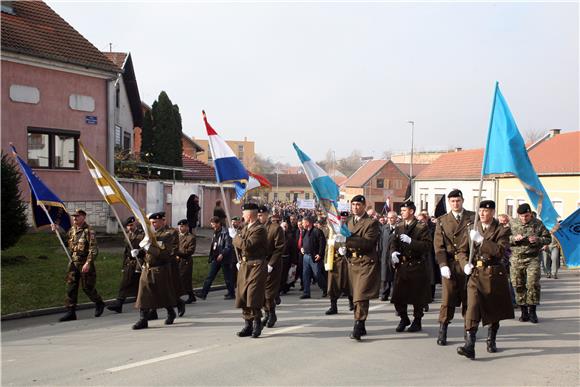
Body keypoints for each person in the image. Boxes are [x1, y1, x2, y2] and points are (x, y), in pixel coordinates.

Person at [457, 200, 514, 359]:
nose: (482, 214)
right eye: (480, 210)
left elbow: (501, 251)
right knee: (472, 308)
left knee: (493, 308)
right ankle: (470, 344)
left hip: (493, 273)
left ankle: (491, 338)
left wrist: (482, 241)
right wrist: (464, 264)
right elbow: (461, 251)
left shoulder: (502, 230)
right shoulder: (471, 228)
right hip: (475, 273)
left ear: (493, 212)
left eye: (485, 211)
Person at [433, 189, 475, 345]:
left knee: (468, 300)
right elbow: (439, 246)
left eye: (458, 200)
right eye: (452, 201)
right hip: (450, 264)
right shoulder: (442, 220)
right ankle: (443, 329)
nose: (455, 203)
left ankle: (468, 330)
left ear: (462, 200)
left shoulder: (472, 217)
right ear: (449, 203)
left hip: (467, 265)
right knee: (447, 299)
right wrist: (443, 264)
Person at [54, 209, 105, 322]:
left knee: (87, 287)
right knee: (71, 288)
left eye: (77, 216)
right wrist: (57, 231)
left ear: (83, 217)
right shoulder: (72, 230)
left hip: (84, 263)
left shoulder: (89, 231)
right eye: (74, 216)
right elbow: (66, 242)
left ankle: (99, 303)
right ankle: (71, 312)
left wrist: (88, 263)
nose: (75, 218)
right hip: (73, 263)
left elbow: (93, 249)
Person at [389, 201, 433, 332]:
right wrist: (393, 253)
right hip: (402, 265)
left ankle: (417, 320)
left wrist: (411, 242)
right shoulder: (399, 225)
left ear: (412, 211)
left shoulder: (421, 227)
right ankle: (404, 318)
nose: (401, 213)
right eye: (401, 211)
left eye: (404, 210)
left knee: (417, 297)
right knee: (397, 296)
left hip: (416, 264)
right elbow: (394, 242)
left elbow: (427, 246)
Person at [132, 212, 178, 330]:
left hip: (160, 269)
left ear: (162, 222)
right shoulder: (148, 235)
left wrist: (149, 248)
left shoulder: (167, 235)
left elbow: (164, 254)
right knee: (143, 294)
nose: (153, 225)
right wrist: (139, 252)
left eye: (155, 222)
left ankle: (171, 312)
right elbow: (146, 252)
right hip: (147, 268)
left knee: (163, 294)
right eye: (151, 223)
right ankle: (143, 319)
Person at [344, 195, 381, 341]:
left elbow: (367, 243)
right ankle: (362, 324)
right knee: (355, 296)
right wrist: (343, 248)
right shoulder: (348, 221)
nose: (355, 207)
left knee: (360, 296)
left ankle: (358, 325)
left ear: (364, 206)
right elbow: (345, 238)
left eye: (358, 205)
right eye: (353, 205)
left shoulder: (371, 223)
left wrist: (347, 240)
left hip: (366, 263)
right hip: (353, 262)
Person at [509, 203, 551, 324]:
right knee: (518, 284)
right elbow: (504, 238)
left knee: (533, 284)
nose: (524, 219)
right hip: (516, 258)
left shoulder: (538, 224)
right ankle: (523, 311)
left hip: (532, 258)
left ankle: (532, 311)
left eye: (526, 216)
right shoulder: (512, 223)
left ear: (530, 214)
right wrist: (513, 239)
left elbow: (548, 238)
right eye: (521, 216)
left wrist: (537, 239)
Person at [232, 203, 268, 338]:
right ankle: (247, 324)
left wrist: (235, 238)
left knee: (253, 295)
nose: (242, 216)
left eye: (243, 213)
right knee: (242, 295)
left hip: (256, 265)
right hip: (245, 265)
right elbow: (240, 246)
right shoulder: (246, 227)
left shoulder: (260, 229)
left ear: (249, 214)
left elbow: (247, 245)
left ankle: (257, 322)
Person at [107, 216, 144, 313]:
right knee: (124, 283)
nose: (130, 227)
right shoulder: (127, 235)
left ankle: (144, 305)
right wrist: (123, 266)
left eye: (131, 225)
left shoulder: (141, 235)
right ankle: (119, 304)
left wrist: (139, 252)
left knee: (138, 285)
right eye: (128, 226)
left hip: (138, 263)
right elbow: (125, 251)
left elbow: (145, 249)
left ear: (135, 224)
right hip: (129, 263)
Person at [258, 206, 286, 328]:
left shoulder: (276, 228)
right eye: (258, 215)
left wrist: (271, 264)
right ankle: (267, 313)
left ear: (267, 215)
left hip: (272, 264)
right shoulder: (256, 228)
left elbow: (279, 247)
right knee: (261, 291)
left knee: (269, 292)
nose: (260, 217)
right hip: (259, 264)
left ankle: (272, 313)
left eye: (261, 215)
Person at [197, 216, 236, 300]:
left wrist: (222, 254)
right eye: (212, 224)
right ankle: (203, 293)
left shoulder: (225, 232)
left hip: (224, 258)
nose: (212, 226)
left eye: (214, 224)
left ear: (218, 223)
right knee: (210, 276)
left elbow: (228, 246)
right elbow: (214, 244)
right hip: (216, 258)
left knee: (227, 277)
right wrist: (212, 255)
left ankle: (231, 293)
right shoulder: (215, 231)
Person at [325, 211, 354, 315]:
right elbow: (328, 240)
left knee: (349, 283)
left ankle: (352, 303)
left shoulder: (350, 229)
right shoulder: (333, 229)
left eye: (345, 219)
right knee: (333, 284)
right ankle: (333, 306)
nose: (343, 220)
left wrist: (347, 248)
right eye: (341, 218)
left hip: (346, 259)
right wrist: (331, 243)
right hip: (335, 260)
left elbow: (353, 240)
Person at [299, 216, 327, 299]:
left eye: (303, 223)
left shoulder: (317, 231)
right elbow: (303, 242)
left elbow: (322, 244)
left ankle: (325, 289)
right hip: (306, 256)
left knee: (317, 274)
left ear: (308, 223)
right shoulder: (304, 232)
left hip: (314, 257)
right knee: (305, 275)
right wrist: (302, 248)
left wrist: (320, 254)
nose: (302, 224)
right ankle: (306, 292)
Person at [378, 211, 398, 301]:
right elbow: (380, 242)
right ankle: (384, 294)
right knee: (385, 276)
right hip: (385, 255)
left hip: (395, 256)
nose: (390, 219)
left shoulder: (399, 228)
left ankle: (394, 295)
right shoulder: (384, 228)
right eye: (389, 218)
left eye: (392, 218)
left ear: (396, 218)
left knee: (395, 277)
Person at [176, 219, 197, 304]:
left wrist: (177, 253)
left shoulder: (191, 237)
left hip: (185, 261)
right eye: (179, 226)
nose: (180, 228)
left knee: (183, 279)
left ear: (187, 227)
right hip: (176, 261)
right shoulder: (176, 236)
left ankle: (176, 299)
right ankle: (191, 296)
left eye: (182, 226)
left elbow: (190, 251)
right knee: (179, 279)